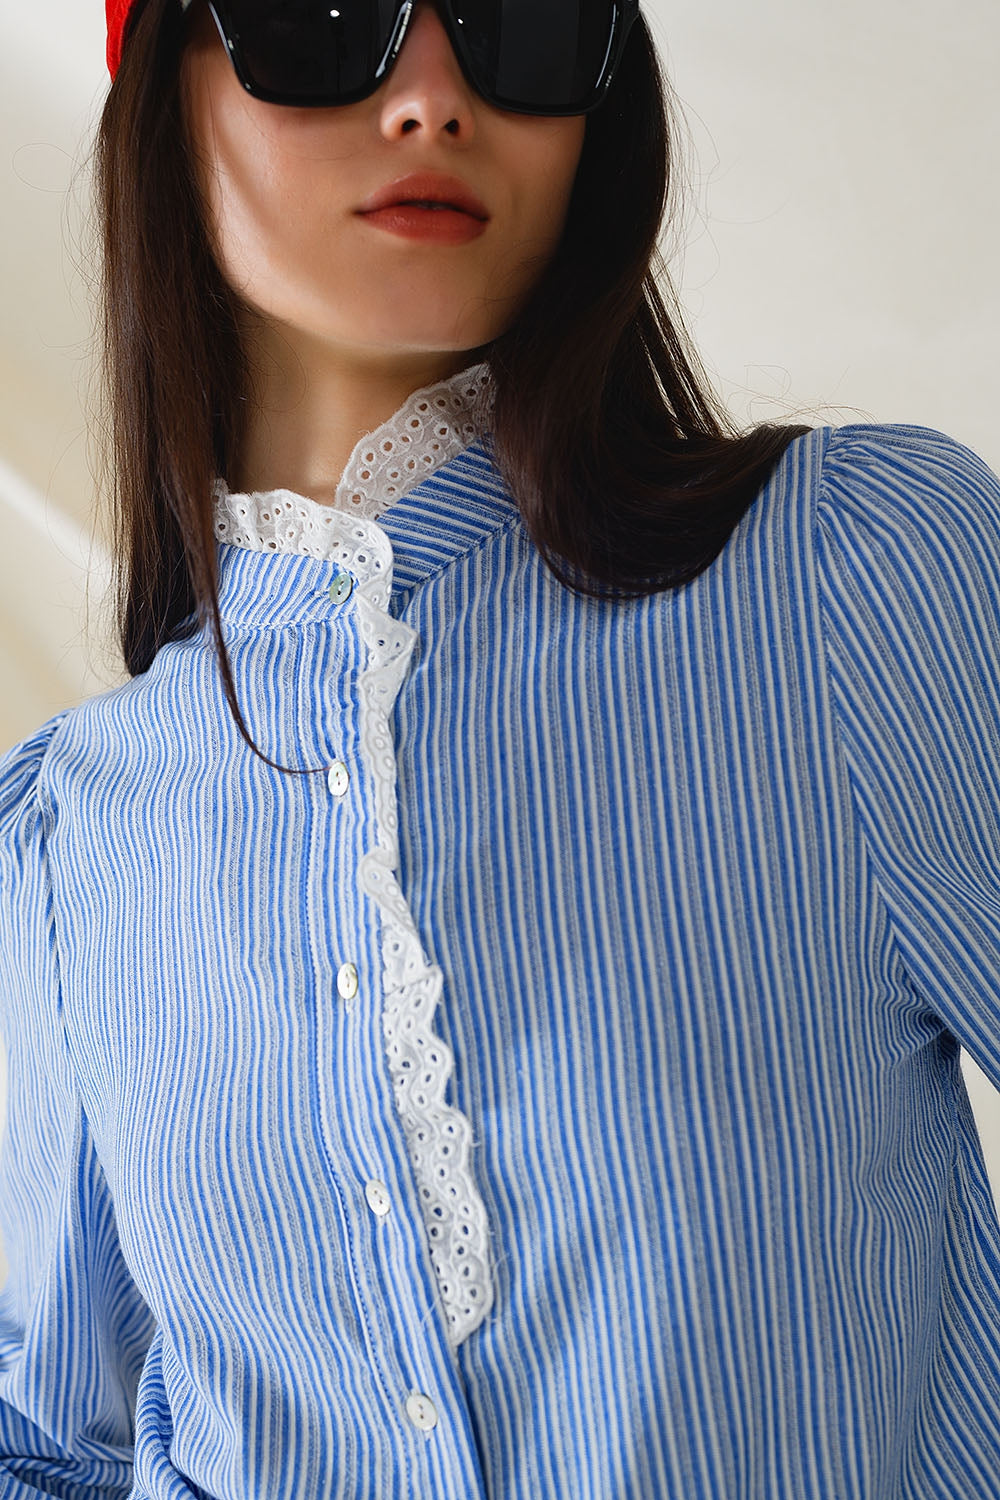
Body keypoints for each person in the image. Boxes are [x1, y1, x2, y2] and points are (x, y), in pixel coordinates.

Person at [0, 0, 999, 1494]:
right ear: (158, 91)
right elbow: (40, 1443)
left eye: (523, 22)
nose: (432, 98)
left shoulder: (853, 578)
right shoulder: (71, 835)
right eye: (321, 19)